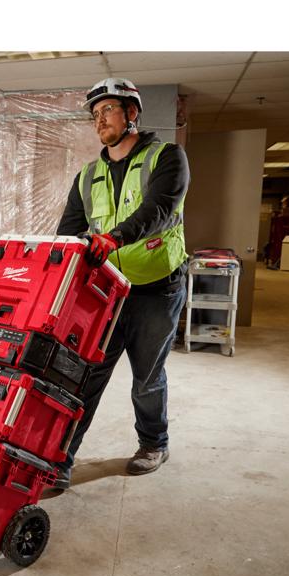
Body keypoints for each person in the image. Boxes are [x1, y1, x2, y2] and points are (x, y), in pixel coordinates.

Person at [53, 77, 190, 489]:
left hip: (156, 287)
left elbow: (159, 210)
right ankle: (59, 458)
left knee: (146, 376)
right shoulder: (87, 176)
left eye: (108, 110)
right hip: (107, 292)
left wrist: (113, 238)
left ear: (132, 112)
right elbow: (68, 234)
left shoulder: (166, 157)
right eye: (95, 114)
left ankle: (153, 444)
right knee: (86, 376)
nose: (100, 120)